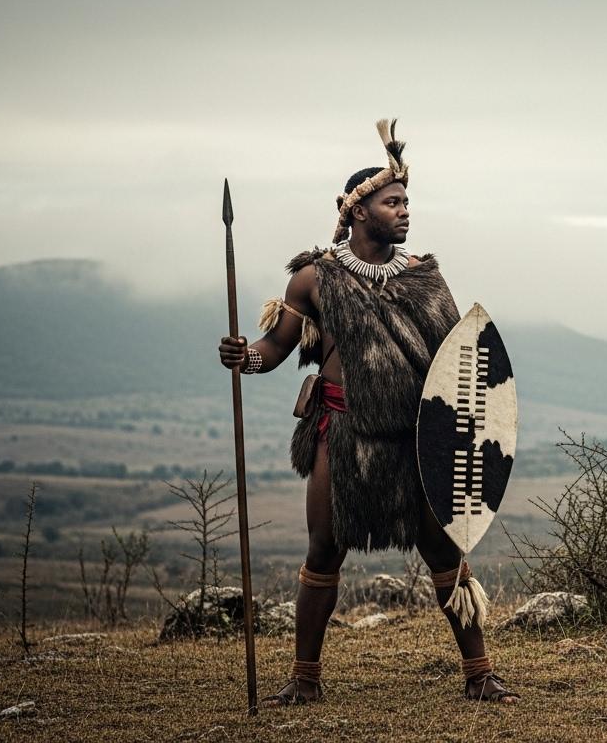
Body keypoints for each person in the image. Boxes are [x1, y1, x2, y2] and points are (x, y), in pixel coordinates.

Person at [218, 119, 518, 705]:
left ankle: (480, 673)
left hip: (416, 439)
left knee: (444, 552)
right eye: (392, 201)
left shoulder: (425, 279)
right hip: (342, 433)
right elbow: (274, 349)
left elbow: (459, 361)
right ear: (358, 211)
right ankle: (303, 682)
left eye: (407, 201)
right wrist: (242, 358)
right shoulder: (315, 279)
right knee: (324, 552)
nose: (405, 212)